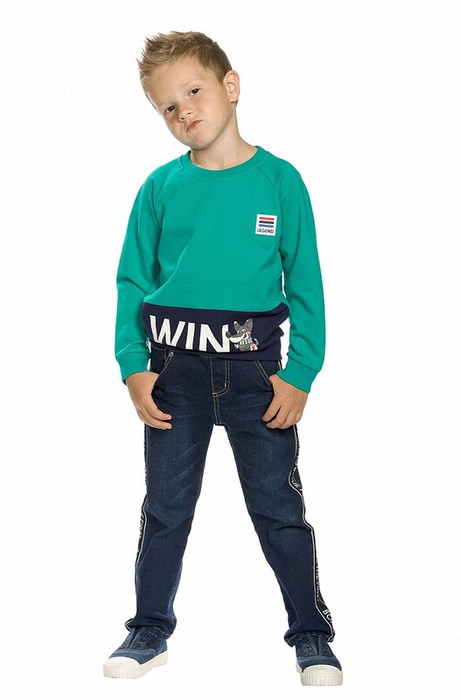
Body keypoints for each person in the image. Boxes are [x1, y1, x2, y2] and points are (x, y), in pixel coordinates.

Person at [103, 30, 343, 687]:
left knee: (278, 509)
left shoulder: (280, 182)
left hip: (256, 376)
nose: (184, 111)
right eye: (167, 106)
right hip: (171, 374)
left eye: (193, 91)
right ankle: (149, 628)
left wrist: (300, 372)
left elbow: (306, 285)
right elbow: (132, 281)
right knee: (165, 508)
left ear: (230, 86)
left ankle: (311, 634)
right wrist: (133, 365)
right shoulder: (160, 188)